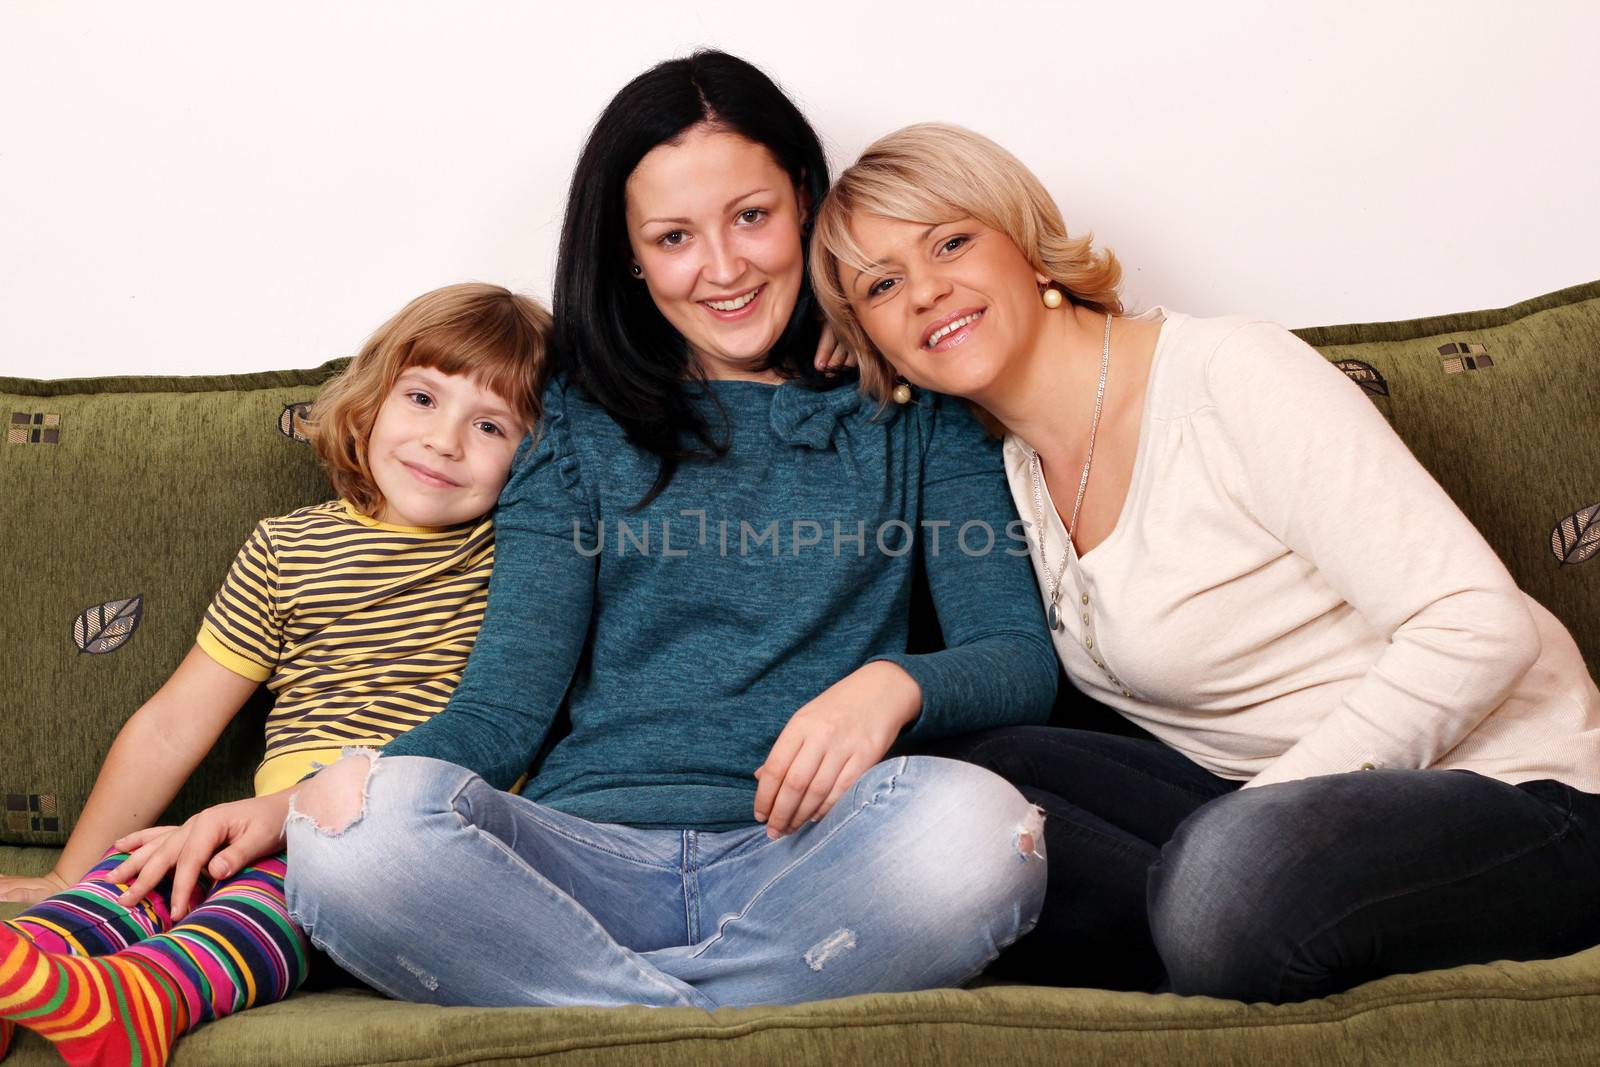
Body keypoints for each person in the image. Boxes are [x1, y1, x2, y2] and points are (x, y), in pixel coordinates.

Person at [103, 52, 1058, 1013]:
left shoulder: (907, 406)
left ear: (805, 200)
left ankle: (619, 1018)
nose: (722, 268)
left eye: (752, 216)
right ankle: (711, 1019)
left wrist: (887, 688)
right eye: (675, 235)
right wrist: (288, 812)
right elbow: (500, 714)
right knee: (353, 828)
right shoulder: (573, 428)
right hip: (574, 870)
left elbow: (1017, 656)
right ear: (630, 254)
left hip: (808, 863)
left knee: (985, 831)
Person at [808, 122, 1600, 1003]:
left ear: (1028, 246)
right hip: (1259, 816)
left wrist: (1254, 816)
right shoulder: (1013, 469)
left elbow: (1476, 623)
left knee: (1227, 882)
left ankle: (1210, 923)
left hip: (1520, 791)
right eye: (882, 286)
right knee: (945, 793)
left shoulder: (1228, 375)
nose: (925, 291)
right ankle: (1211, 928)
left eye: (950, 242)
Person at [0, 282, 549, 1065]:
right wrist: (67, 869)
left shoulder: (518, 558)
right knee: (150, 865)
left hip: (411, 840)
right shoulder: (287, 548)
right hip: (263, 821)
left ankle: (149, 996)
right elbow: (172, 721)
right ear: (371, 399)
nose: (444, 440)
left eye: (490, 425)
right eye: (423, 397)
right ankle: (31, 969)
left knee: (274, 894)